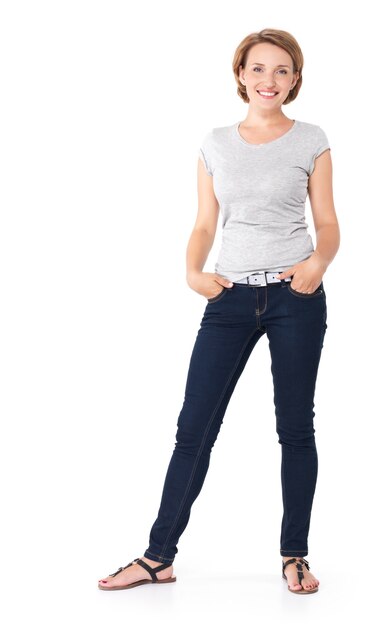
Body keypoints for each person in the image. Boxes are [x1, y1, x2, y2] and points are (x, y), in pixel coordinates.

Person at [98, 27, 340, 595]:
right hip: (228, 299)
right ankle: (158, 556)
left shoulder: (312, 139)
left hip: (295, 298)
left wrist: (317, 265)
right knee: (193, 430)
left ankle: (295, 556)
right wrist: (192, 272)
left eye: (282, 70)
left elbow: (327, 222)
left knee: (295, 428)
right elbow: (205, 223)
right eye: (258, 69)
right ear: (240, 76)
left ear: (295, 80)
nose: (269, 80)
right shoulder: (215, 143)